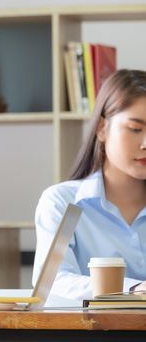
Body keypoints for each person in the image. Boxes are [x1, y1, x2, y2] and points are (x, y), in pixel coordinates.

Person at [33, 69, 146, 302]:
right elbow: (54, 281)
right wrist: (134, 290)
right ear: (102, 128)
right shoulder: (63, 202)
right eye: (135, 129)